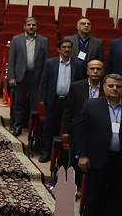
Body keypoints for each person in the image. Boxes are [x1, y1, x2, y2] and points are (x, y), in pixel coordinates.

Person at [75, 74, 122, 216]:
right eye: (111, 86)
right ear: (104, 87)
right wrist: (82, 155)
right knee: (93, 199)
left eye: (118, 86)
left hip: (120, 161)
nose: (114, 88)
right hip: (97, 159)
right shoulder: (91, 105)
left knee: (117, 200)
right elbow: (82, 132)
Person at [37, 38, 85, 163]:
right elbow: (44, 82)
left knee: (65, 129)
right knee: (49, 128)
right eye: (64, 47)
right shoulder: (50, 63)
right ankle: (46, 152)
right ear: (59, 49)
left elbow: (81, 84)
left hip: (70, 102)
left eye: (69, 47)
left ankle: (61, 156)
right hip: (53, 100)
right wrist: (42, 98)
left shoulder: (78, 65)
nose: (66, 49)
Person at [7, 17, 48, 137]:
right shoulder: (16, 39)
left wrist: (44, 79)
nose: (31, 27)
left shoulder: (43, 41)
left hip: (36, 77)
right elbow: (11, 59)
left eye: (33, 25)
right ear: (24, 26)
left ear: (37, 27)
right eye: (29, 25)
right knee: (18, 103)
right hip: (21, 76)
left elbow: (46, 61)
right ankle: (17, 126)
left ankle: (32, 129)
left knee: (34, 105)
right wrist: (11, 77)